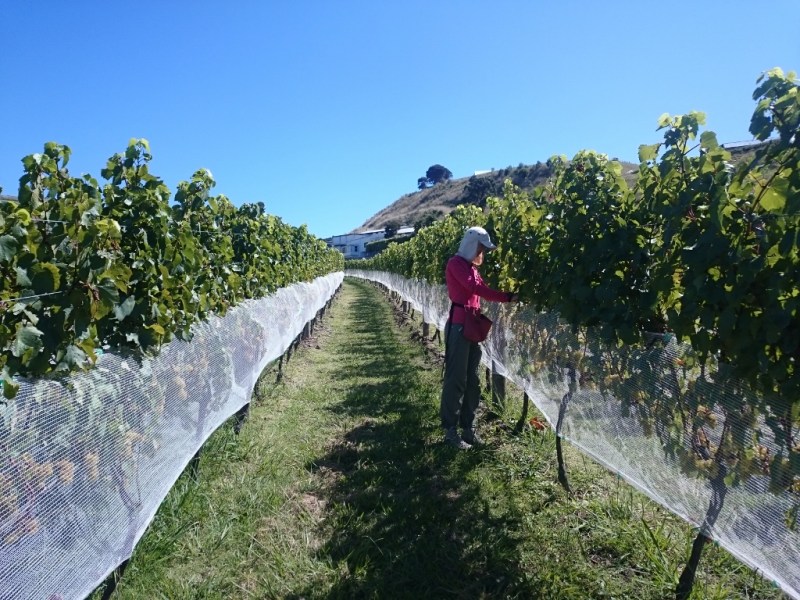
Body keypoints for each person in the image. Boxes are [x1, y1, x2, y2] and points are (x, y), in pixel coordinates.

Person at [441, 226, 518, 450]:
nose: (481, 252)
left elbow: (481, 287)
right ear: (471, 245)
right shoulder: (455, 264)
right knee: (456, 378)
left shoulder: (472, 268)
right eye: (480, 247)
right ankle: (450, 430)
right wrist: (506, 297)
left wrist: (507, 295)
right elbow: (475, 288)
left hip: (471, 326)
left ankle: (468, 428)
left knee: (472, 380)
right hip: (459, 326)